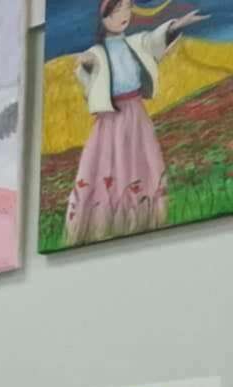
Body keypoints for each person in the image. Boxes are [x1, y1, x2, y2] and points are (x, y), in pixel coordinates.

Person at [65, 0, 211, 247]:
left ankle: (144, 218)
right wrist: (87, 65)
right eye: (117, 11)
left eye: (127, 9)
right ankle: (103, 224)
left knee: (143, 161)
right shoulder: (97, 52)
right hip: (111, 119)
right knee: (108, 166)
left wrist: (177, 25)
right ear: (104, 18)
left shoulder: (136, 42)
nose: (124, 15)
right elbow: (87, 76)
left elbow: (156, 39)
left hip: (136, 114)